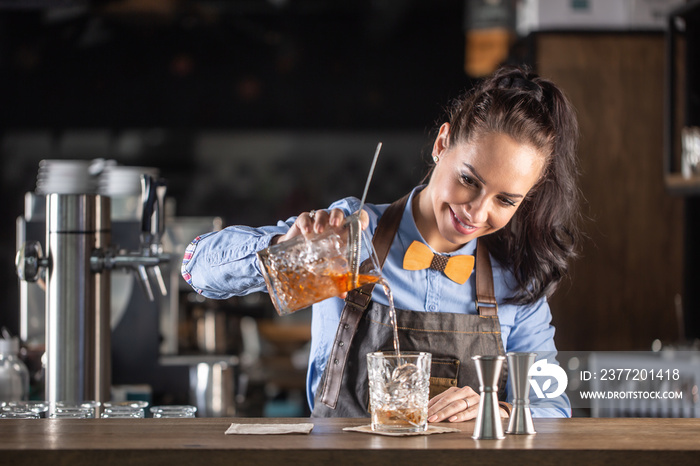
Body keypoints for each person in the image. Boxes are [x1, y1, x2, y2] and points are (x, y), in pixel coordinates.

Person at [181, 64, 580, 421]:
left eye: (505, 200)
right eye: (468, 180)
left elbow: (552, 407)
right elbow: (196, 268)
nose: (476, 211)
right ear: (442, 144)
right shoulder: (352, 236)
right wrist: (286, 251)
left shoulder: (516, 279)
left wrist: (503, 409)